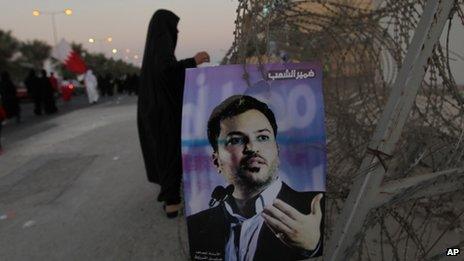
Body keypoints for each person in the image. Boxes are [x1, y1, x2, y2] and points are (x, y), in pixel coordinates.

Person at [187, 95, 324, 261]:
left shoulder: (317, 208)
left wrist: (314, 247)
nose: (252, 148)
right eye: (235, 140)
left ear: (277, 150)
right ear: (216, 161)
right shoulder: (194, 226)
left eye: (263, 137)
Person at [137, 9, 210, 218]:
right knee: (169, 151)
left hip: (154, 108)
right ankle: (172, 201)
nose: (176, 32)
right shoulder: (161, 47)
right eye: (174, 27)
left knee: (164, 151)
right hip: (163, 111)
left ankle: (170, 197)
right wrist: (193, 61)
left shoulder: (154, 49)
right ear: (165, 29)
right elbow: (168, 72)